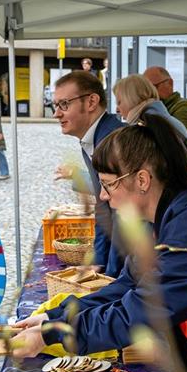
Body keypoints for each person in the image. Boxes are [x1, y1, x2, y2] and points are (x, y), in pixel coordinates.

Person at [11, 114, 187, 372]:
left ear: (142, 180)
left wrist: (54, 334)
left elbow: (139, 312)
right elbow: (126, 287)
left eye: (107, 184)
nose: (104, 196)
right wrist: (52, 318)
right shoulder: (162, 218)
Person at [52, 71, 125, 277]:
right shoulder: (93, 137)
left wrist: (110, 274)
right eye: (55, 105)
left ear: (92, 101)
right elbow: (103, 205)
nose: (56, 114)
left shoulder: (113, 140)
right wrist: (99, 261)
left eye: (64, 104)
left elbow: (123, 215)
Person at [113, 75, 187, 150]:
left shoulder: (146, 126)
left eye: (119, 102)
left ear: (132, 99)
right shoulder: (162, 119)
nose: (117, 109)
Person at [143, 66, 187, 148]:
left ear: (170, 83)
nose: (150, 93)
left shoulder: (184, 107)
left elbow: (174, 140)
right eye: (146, 89)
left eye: (153, 87)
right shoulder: (152, 109)